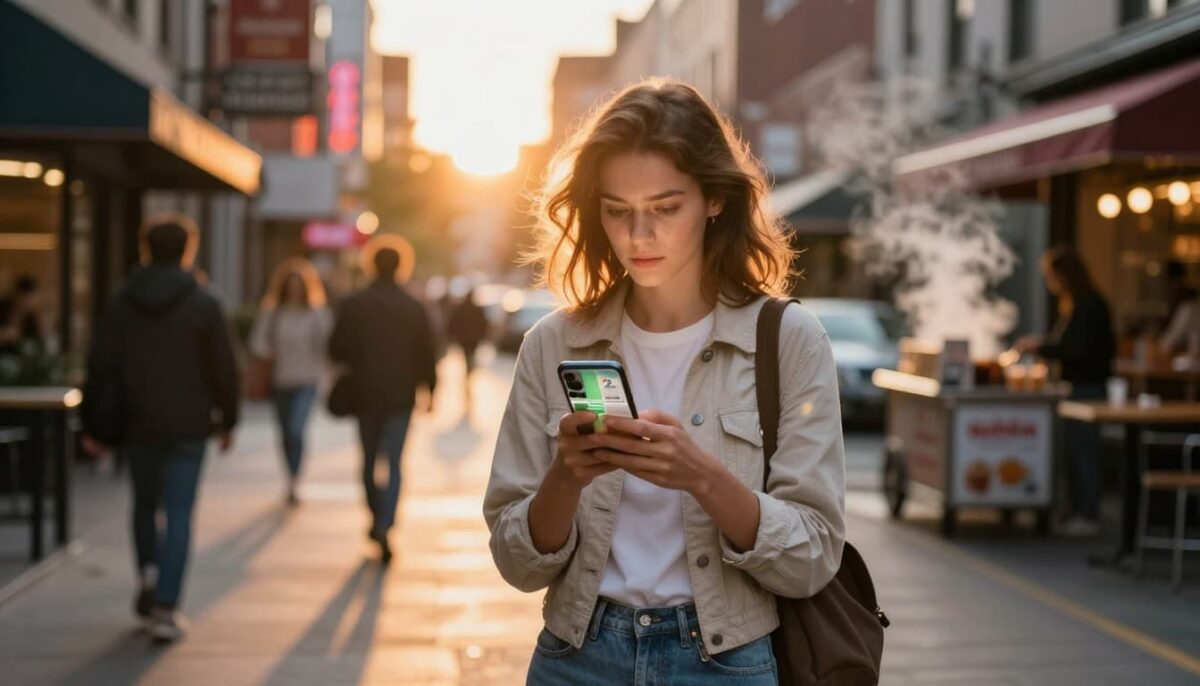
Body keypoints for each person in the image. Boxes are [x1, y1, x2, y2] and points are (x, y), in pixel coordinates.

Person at [483, 79, 846, 685]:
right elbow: (516, 563)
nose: (638, 235)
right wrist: (566, 477)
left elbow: (812, 556)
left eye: (664, 207)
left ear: (714, 199)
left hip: (726, 662)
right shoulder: (553, 344)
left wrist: (700, 475)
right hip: (579, 657)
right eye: (617, 210)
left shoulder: (788, 340)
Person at [81, 213, 240, 642]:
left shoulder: (121, 300)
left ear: (145, 248)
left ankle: (150, 573)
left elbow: (101, 364)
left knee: (144, 503)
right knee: (180, 511)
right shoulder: (205, 303)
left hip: (138, 420)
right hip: (189, 423)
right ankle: (167, 607)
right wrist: (228, 419)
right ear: (188, 250)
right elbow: (224, 368)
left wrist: (93, 425)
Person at [329, 235, 438, 563]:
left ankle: (376, 517)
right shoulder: (413, 305)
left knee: (367, 460)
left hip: (364, 394)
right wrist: (430, 389)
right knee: (394, 463)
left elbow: (335, 348)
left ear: (370, 263)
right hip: (401, 395)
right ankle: (386, 524)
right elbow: (427, 352)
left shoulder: (354, 303)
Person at [1017, 245, 1115, 536]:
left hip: (1086, 389)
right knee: (1074, 452)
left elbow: (1077, 350)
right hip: (1078, 388)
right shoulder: (1077, 305)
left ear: (1064, 274)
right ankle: (1076, 509)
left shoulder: (1089, 306)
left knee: (1083, 453)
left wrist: (1042, 348)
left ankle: (1087, 514)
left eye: (1051, 275)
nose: (1049, 282)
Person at [250, 258, 332, 506]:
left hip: (307, 380)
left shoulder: (317, 314)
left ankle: (295, 479)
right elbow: (258, 341)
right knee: (285, 433)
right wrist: (268, 352)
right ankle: (289, 475)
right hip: (280, 380)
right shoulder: (273, 314)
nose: (295, 290)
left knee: (296, 430)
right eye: (291, 286)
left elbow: (327, 346)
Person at [446, 288, 490, 418]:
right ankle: (468, 377)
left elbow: (452, 324)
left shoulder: (461, 308)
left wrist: (453, 338)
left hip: (465, 341)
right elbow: (484, 324)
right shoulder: (477, 309)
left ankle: (468, 378)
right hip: (472, 341)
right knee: (469, 363)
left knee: (468, 362)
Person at [0, 274, 46, 354]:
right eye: (25, 298)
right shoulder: (2, 308)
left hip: (18, 359)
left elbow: (39, 344)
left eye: (31, 298)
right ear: (16, 294)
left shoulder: (31, 317)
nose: (27, 302)